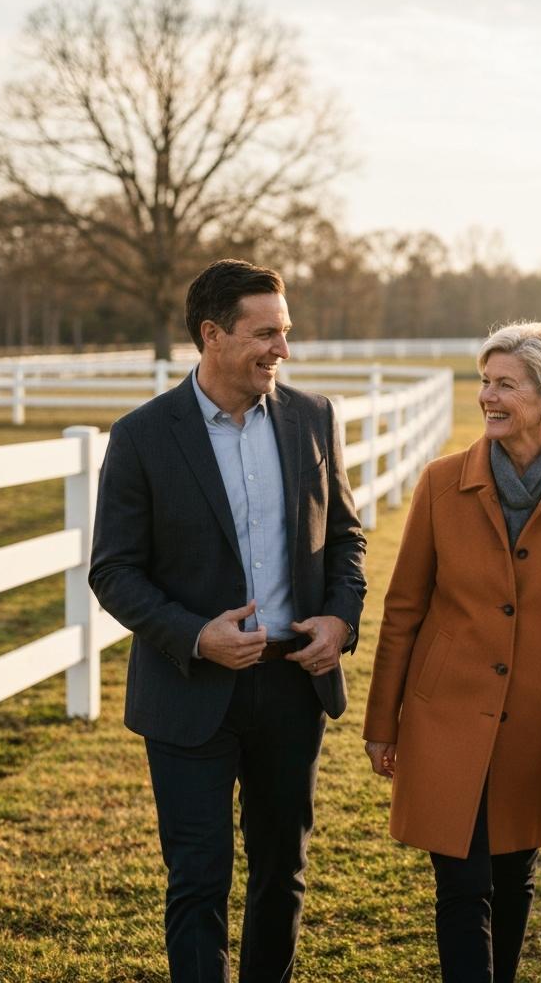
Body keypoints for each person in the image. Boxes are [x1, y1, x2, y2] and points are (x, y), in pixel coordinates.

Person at [89, 259, 366, 983]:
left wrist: (339, 621)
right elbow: (113, 571)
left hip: (290, 685)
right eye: (265, 333)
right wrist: (195, 634)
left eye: (286, 332)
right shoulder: (143, 436)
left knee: (284, 875)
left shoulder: (314, 417)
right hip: (187, 694)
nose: (283, 349)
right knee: (198, 883)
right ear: (212, 335)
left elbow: (345, 540)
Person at [363, 321, 541, 983]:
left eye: (505, 385)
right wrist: (382, 723)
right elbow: (403, 610)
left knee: (514, 878)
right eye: (485, 381)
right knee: (461, 886)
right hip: (445, 716)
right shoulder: (439, 484)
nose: (487, 396)